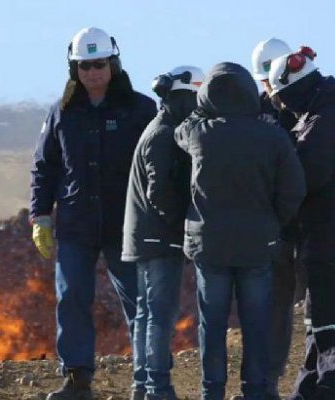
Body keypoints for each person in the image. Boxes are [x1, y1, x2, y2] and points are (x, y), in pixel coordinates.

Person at [30, 26, 156, 400]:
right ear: (74, 69)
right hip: (76, 225)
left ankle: (149, 381)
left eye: (99, 64)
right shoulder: (62, 113)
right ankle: (76, 380)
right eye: (84, 66)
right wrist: (40, 215)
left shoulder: (141, 109)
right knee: (72, 300)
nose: (92, 72)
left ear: (113, 63)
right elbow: (44, 166)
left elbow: (160, 165)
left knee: (140, 302)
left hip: (128, 224)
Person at [174, 62, 306, 400]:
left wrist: (198, 109)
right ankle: (256, 391)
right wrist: (274, 223)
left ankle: (212, 391)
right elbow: (294, 188)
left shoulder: (200, 131)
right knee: (257, 325)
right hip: (257, 245)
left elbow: (180, 131)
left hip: (210, 247)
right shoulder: (271, 135)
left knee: (212, 326)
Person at [122, 65, 204, 400]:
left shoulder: (160, 127)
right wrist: (183, 226)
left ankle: (144, 387)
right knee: (158, 315)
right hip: (158, 239)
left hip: (147, 236)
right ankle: (158, 388)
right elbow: (160, 193)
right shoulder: (164, 134)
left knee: (146, 313)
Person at [269, 47, 335, 400]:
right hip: (319, 240)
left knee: (327, 327)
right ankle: (308, 389)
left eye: (283, 99)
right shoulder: (319, 114)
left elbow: (307, 176)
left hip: (326, 241)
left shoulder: (323, 122)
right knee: (318, 326)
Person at [244, 37, 302, 400]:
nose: (274, 87)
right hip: (274, 227)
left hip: (314, 223)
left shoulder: (313, 101)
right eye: (266, 82)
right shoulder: (256, 110)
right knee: (276, 307)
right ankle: (267, 384)